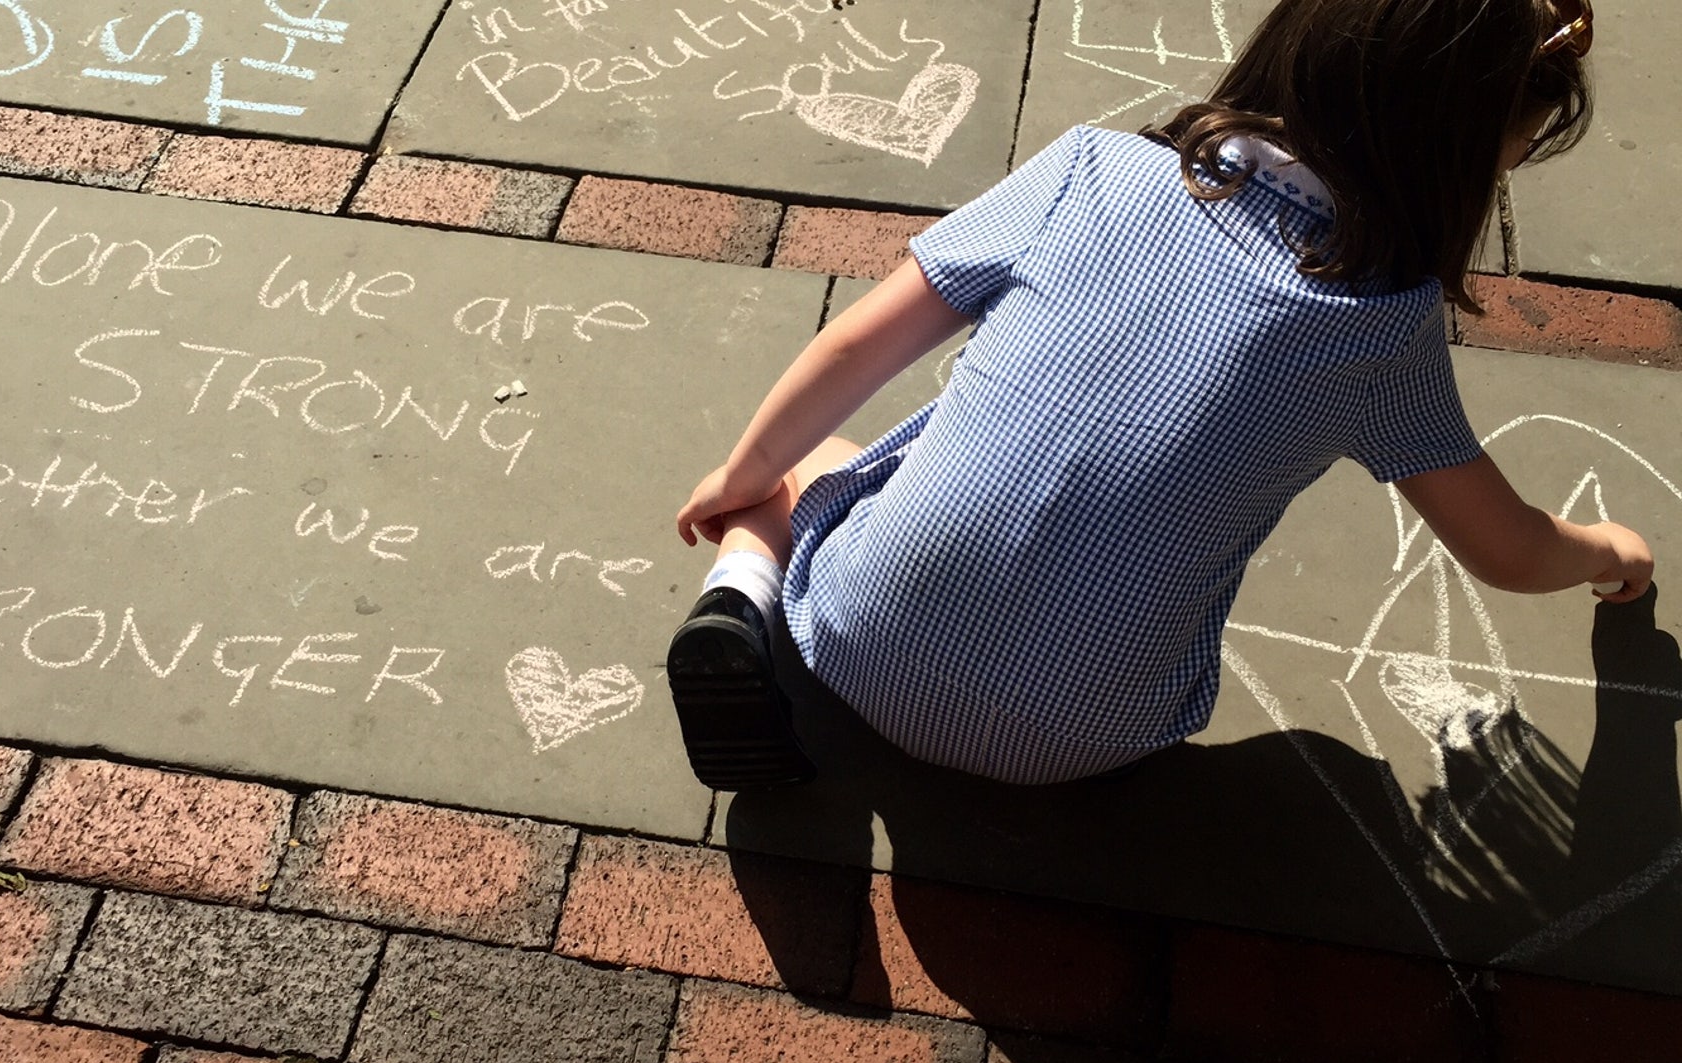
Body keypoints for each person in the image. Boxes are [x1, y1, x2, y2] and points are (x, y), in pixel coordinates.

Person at [667, 0, 1652, 791]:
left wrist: (743, 479)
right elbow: (1508, 551)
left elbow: (853, 347)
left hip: (854, 645)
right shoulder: (1380, 332)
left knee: (805, 466)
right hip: (1077, 743)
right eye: (1506, 160)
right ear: (1452, 167)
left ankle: (737, 601)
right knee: (1336, 777)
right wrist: (1610, 551)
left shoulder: (1090, 169)